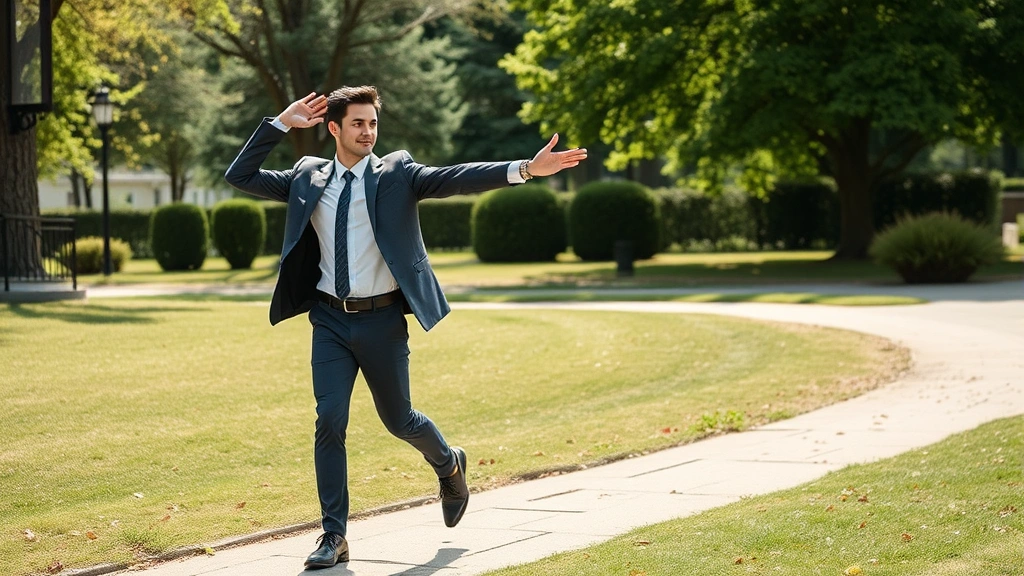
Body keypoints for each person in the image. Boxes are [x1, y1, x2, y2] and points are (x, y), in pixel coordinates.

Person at [224, 86, 587, 568]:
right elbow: (240, 174)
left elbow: (456, 177)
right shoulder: (307, 176)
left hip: (383, 320)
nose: (367, 132)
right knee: (329, 419)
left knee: (400, 421)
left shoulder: (396, 173)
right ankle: (333, 536)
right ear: (333, 128)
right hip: (329, 319)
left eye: (372, 123)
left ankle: (447, 462)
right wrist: (281, 123)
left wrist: (523, 169)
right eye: (357, 123)